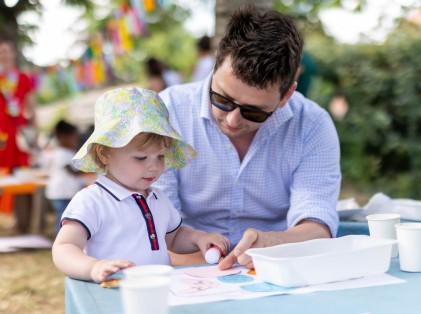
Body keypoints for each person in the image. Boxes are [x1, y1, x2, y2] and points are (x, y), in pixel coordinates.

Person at [153, 4, 341, 269]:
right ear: (215, 65)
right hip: (184, 267)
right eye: (222, 99)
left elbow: (317, 225)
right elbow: (153, 225)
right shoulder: (167, 112)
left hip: (274, 267)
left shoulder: (312, 125)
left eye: (254, 112)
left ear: (286, 96)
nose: (232, 120)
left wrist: (274, 243)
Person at [52, 88, 229, 283]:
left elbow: (173, 237)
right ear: (104, 153)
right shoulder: (92, 201)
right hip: (113, 291)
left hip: (160, 290)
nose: (154, 166)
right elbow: (64, 247)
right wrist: (93, 267)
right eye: (141, 157)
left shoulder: (157, 198)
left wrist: (198, 238)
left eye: (161, 156)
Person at [0, 36, 37, 171]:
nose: (3, 55)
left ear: (13, 53)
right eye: (1, 52)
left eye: (6, 51)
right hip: (2, 131)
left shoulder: (23, 77)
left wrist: (35, 132)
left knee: (23, 169)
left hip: (19, 132)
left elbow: (31, 107)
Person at [45, 119, 86, 236]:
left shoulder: (68, 152)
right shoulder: (61, 153)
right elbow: (72, 172)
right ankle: (60, 238)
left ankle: (63, 237)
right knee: (63, 217)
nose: (76, 140)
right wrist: (89, 169)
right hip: (61, 193)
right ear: (63, 137)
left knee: (66, 217)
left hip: (65, 192)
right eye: (73, 137)